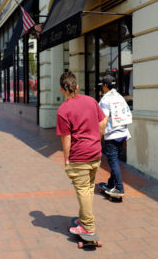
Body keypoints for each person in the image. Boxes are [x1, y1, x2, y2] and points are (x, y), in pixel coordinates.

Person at [56, 71, 107, 236]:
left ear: (62, 90)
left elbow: (66, 138)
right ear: (77, 87)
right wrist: (96, 141)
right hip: (95, 154)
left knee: (83, 190)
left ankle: (88, 227)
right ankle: (84, 218)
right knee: (89, 188)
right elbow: (103, 122)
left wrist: (66, 160)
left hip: (80, 157)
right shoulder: (91, 101)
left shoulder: (64, 110)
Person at [98, 75, 132, 197]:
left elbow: (104, 120)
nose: (102, 88)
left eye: (102, 85)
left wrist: (98, 137)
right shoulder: (120, 97)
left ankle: (119, 188)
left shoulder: (105, 100)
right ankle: (110, 184)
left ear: (106, 86)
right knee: (115, 161)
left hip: (112, 135)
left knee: (113, 162)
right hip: (122, 134)